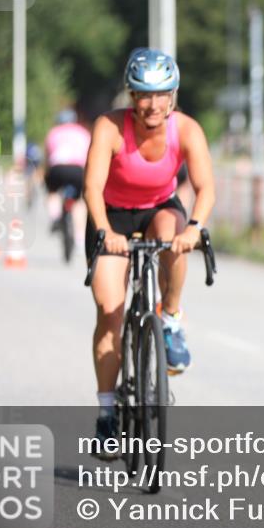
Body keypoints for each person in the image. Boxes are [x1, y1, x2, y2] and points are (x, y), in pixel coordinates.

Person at [84, 48, 215, 451]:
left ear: (173, 95)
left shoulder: (187, 129)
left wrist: (194, 227)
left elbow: (205, 187)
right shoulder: (109, 127)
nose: (153, 104)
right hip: (112, 216)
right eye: (143, 94)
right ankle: (107, 412)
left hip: (159, 208)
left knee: (175, 242)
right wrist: (105, 231)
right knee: (110, 312)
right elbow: (91, 187)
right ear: (131, 96)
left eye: (161, 94)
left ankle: (171, 317)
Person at [44, 109, 90, 231]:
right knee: (79, 202)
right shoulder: (83, 132)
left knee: (52, 192)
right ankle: (79, 235)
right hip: (77, 169)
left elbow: (48, 155)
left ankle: (54, 218)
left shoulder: (54, 132)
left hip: (58, 167)